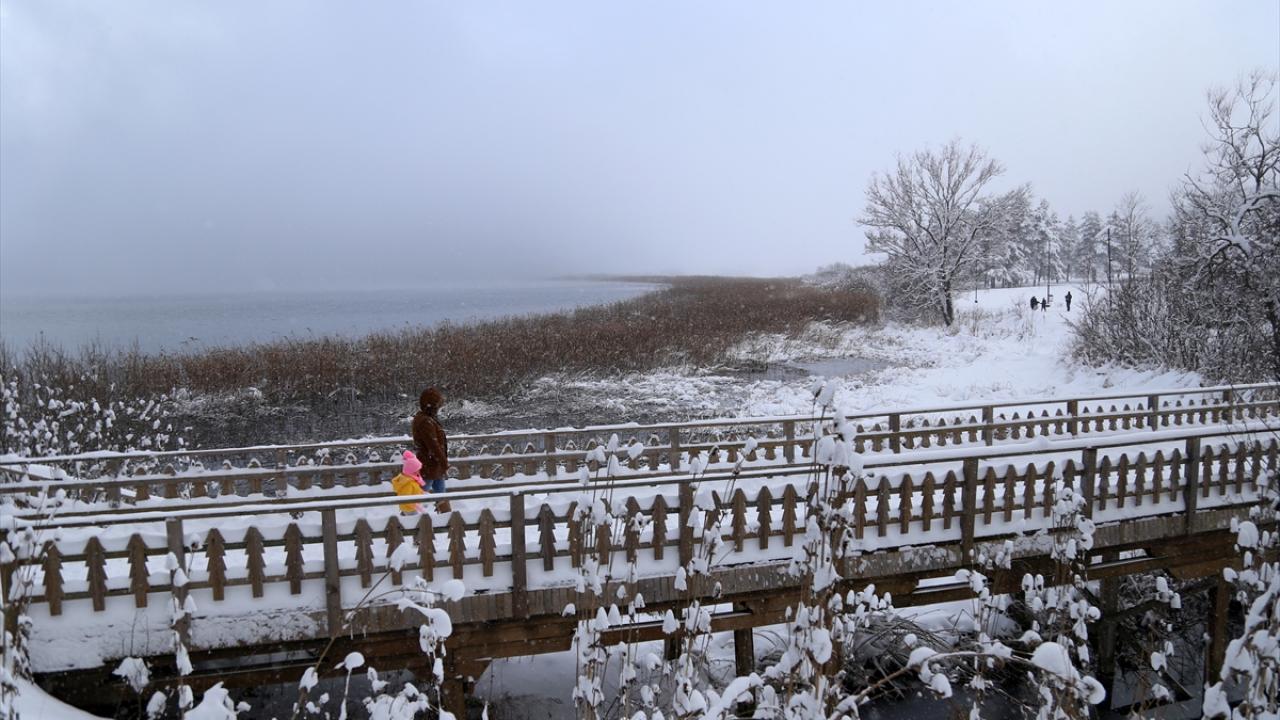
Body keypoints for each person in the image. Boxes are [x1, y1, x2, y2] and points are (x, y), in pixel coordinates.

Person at [412, 387, 450, 512]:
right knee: (420, 494)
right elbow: (433, 445)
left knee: (441, 494)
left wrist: (442, 463)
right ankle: (408, 516)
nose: (439, 407)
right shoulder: (425, 422)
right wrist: (444, 462)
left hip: (433, 464)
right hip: (429, 464)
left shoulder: (427, 419)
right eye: (438, 404)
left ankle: (448, 519)